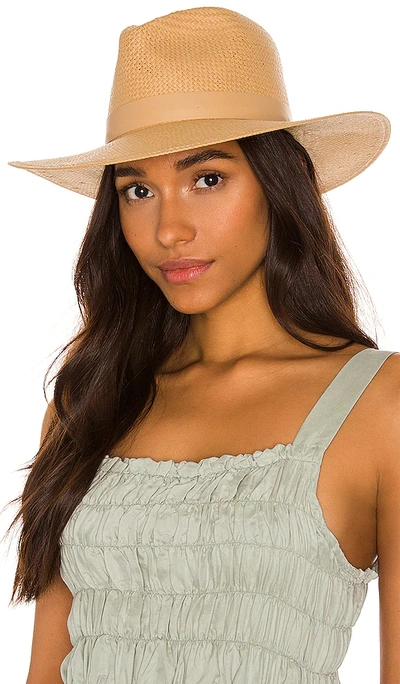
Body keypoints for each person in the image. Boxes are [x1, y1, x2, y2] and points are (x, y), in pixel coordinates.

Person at [5, 6, 400, 683]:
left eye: (207, 178)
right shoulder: (90, 399)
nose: (169, 230)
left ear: (278, 185)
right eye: (137, 189)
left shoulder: (380, 406)